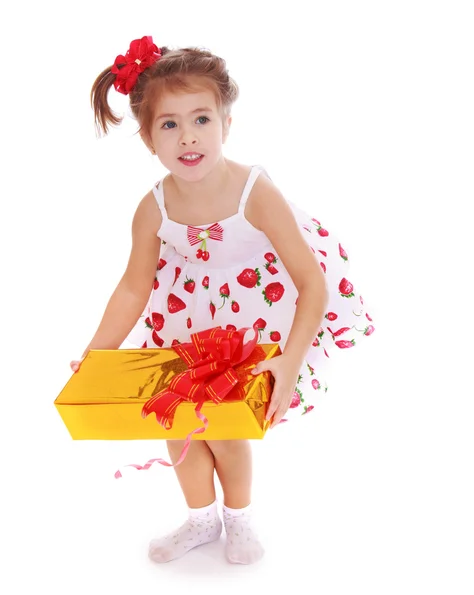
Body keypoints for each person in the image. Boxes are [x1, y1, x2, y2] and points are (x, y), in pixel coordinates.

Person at [70, 36, 374, 565]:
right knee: (177, 425)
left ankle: (238, 520)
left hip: (256, 313)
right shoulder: (152, 208)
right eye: (169, 124)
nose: (188, 136)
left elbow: (311, 281)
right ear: (149, 140)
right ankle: (200, 520)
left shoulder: (254, 191)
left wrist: (290, 358)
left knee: (226, 427)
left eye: (202, 119)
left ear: (226, 124)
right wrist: (97, 354)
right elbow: (133, 287)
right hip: (190, 315)